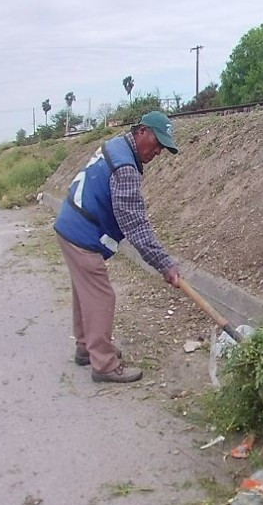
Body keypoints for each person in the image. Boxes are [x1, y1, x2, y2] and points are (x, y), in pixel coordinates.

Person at [53, 110, 181, 383]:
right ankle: (104, 364)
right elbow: (135, 226)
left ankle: (86, 347)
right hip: (81, 232)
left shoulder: (117, 145)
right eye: (157, 143)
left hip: (69, 223)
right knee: (101, 296)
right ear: (142, 131)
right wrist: (165, 264)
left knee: (85, 290)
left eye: (163, 148)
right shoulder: (125, 168)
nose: (158, 151)